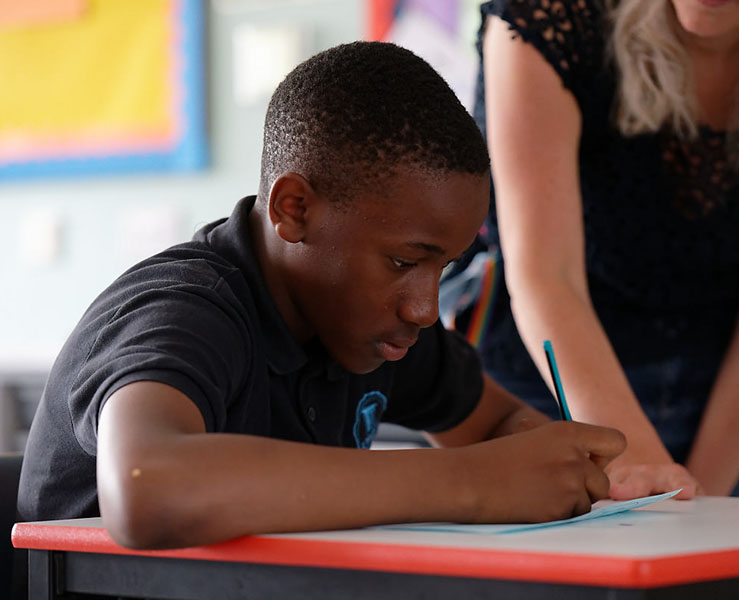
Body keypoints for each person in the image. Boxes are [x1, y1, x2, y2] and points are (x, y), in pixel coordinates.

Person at [17, 41, 626, 550]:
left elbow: (497, 424)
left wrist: (548, 463)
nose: (424, 307)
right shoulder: (183, 312)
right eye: (404, 262)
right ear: (294, 210)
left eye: (444, 267)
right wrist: (472, 483)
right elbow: (147, 489)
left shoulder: (369, 325)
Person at [449, 0, 739, 500]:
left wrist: (700, 502)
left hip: (726, 396)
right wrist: (645, 472)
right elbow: (548, 277)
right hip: (546, 375)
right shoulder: (548, 18)